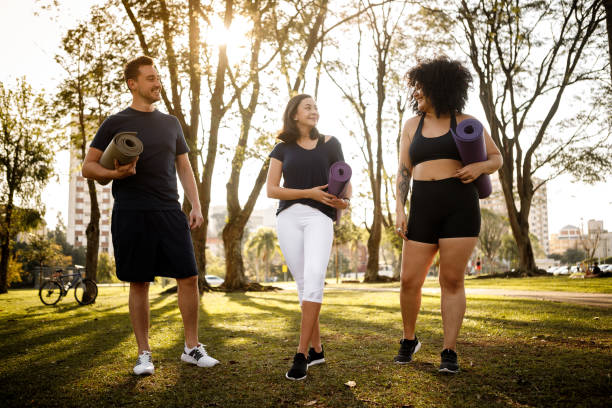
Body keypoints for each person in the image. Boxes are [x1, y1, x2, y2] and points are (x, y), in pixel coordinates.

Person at [82, 56, 218, 375]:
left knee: (189, 275)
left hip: (170, 210)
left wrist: (195, 205)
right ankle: (144, 354)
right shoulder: (114, 122)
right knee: (139, 281)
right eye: (150, 78)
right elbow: (88, 167)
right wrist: (117, 174)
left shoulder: (170, 123)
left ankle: (191, 347)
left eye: (158, 78)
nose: (157, 83)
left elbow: (184, 166)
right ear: (133, 84)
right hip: (132, 211)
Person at [394, 57, 502, 374]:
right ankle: (408, 339)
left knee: (451, 280)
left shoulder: (467, 122)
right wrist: (399, 208)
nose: (415, 93)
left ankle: (449, 350)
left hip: (460, 205)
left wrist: (480, 166)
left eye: (420, 88)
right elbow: (403, 170)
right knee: (408, 281)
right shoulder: (412, 126)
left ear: (439, 87)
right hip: (422, 206)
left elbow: (496, 158)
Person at [266, 94, 351, 381]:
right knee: (303, 284)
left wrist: (345, 201)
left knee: (314, 277)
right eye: (308, 107)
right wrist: (308, 192)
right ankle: (317, 349)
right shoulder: (282, 149)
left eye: (316, 106)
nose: (314, 110)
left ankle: (301, 354)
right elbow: (272, 190)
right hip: (288, 218)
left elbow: (344, 178)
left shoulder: (330, 143)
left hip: (320, 217)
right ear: (294, 115)